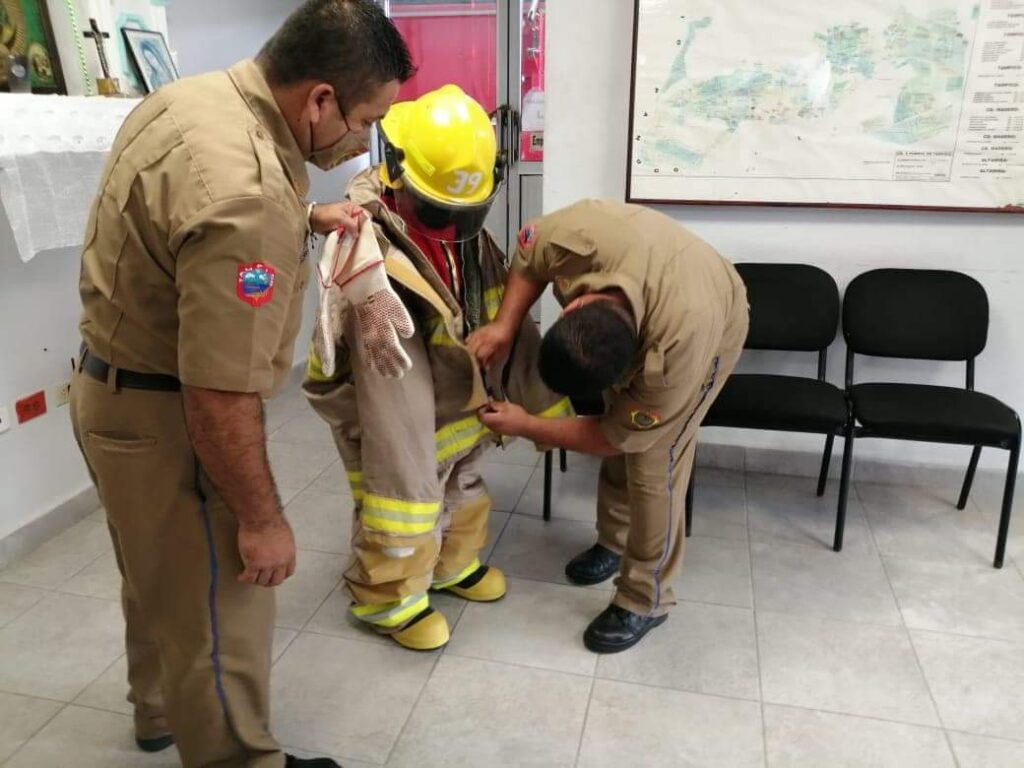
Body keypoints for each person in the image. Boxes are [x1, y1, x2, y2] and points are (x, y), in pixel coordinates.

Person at [69, 2, 413, 766]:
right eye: (366, 120)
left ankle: (160, 713)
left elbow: (201, 220)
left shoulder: (192, 99)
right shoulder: (248, 191)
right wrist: (262, 518)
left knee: (158, 576)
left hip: (108, 397)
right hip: (171, 422)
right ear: (318, 99)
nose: (365, 141)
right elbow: (218, 392)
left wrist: (303, 215)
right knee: (225, 605)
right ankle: (239, 757)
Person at [303, 85, 572, 651]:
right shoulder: (366, 251)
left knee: (463, 479)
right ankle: (388, 599)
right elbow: (385, 382)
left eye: (461, 212)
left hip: (456, 397)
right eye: (437, 210)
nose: (450, 223)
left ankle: (452, 565)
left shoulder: (466, 237)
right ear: (397, 173)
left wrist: (541, 404)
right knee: (402, 497)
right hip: (387, 405)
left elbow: (504, 314)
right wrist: (409, 451)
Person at [467, 201, 749, 653]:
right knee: (625, 434)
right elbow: (528, 254)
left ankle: (645, 598)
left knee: (654, 462)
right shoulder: (579, 238)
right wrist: (504, 326)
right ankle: (615, 541)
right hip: (649, 277)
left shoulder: (672, 356)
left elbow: (611, 436)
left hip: (715, 315)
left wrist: (528, 425)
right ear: (571, 306)